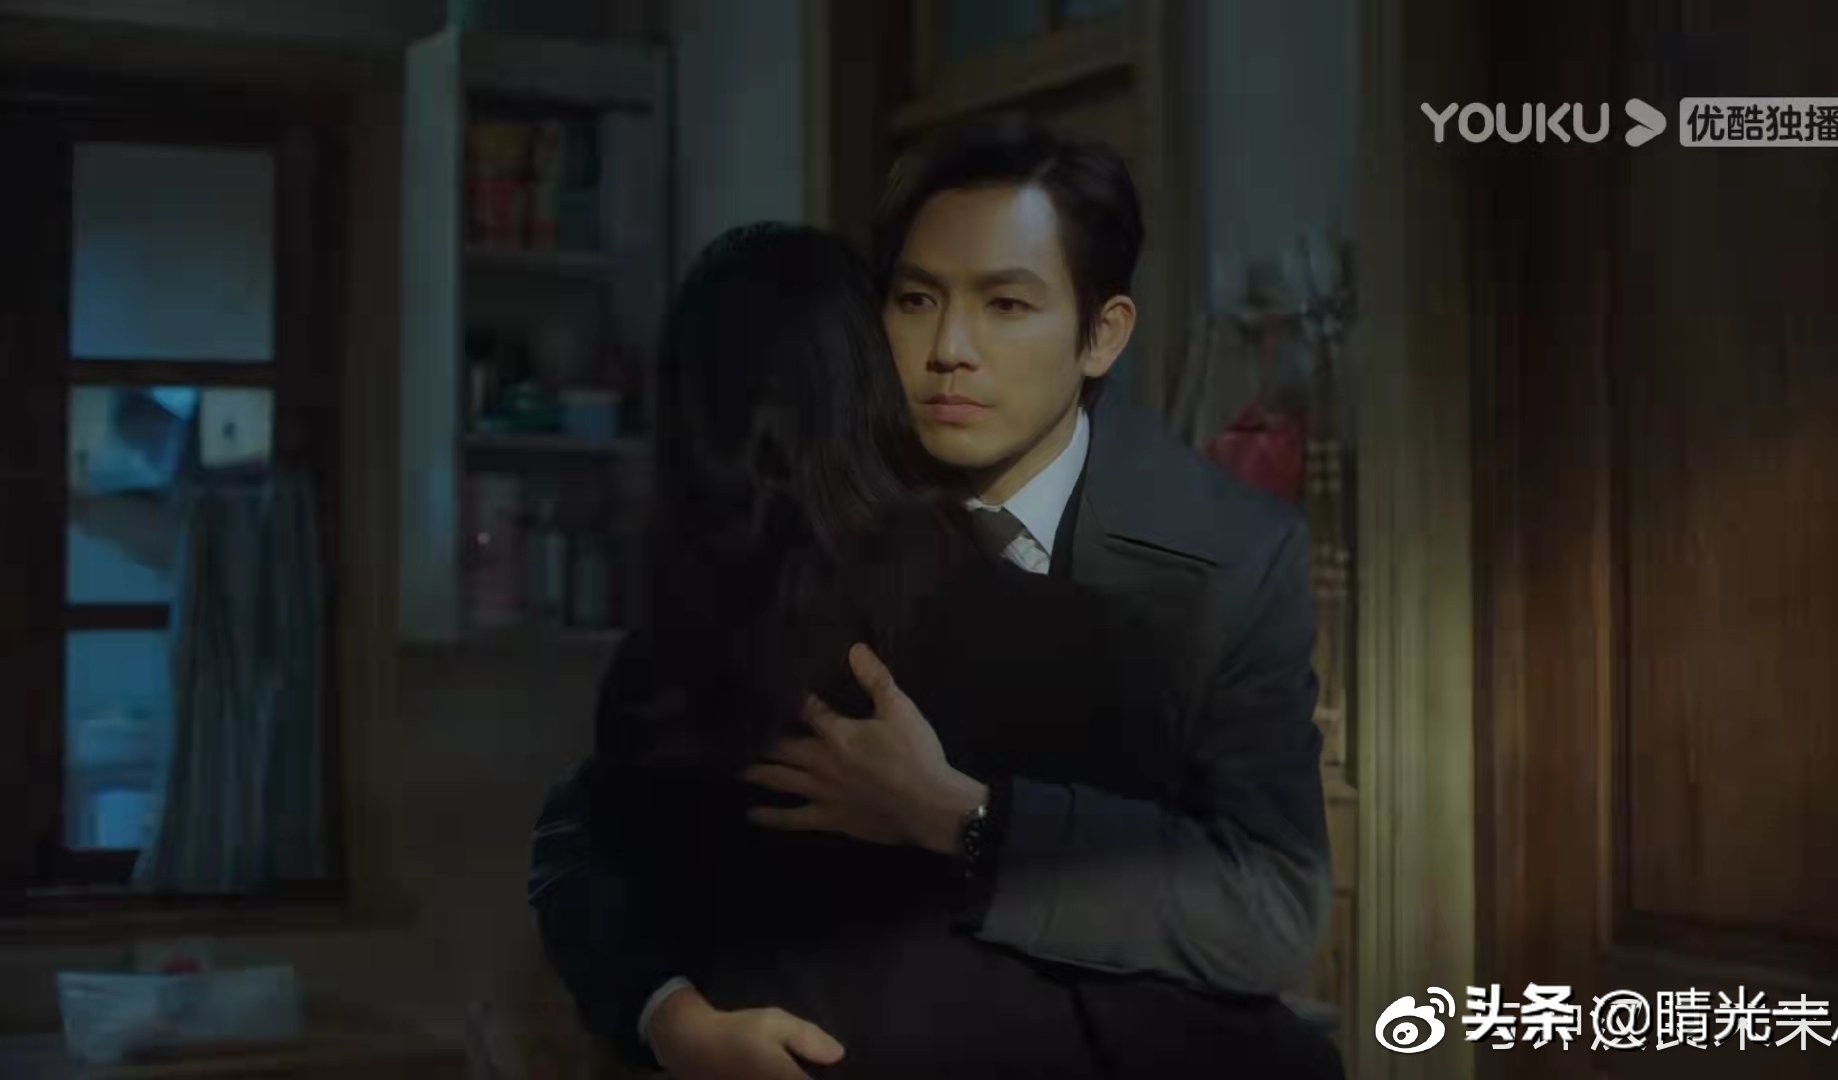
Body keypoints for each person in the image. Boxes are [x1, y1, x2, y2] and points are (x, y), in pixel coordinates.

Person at [531, 118, 1340, 1078]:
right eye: (917, 300)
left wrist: (963, 818)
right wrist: (669, 1014)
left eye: (1007, 305)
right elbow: (588, 832)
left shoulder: (1225, 559)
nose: (950, 348)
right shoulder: (814, 506)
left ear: (1101, 335)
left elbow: (1271, 913)